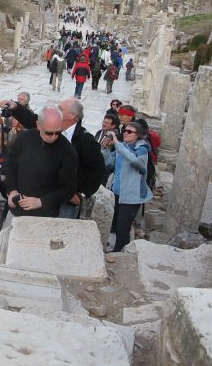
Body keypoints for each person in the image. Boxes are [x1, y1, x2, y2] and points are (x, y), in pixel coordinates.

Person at [5, 106, 77, 217]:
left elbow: (68, 189)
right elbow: (10, 165)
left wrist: (41, 202)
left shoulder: (67, 150)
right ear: (39, 125)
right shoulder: (25, 138)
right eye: (49, 133)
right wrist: (12, 190)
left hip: (44, 216)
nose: (54, 137)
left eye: (58, 132)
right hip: (15, 210)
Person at [103, 122, 153, 252]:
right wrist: (105, 149)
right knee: (114, 225)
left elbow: (136, 162)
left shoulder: (141, 148)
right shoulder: (122, 147)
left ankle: (120, 253)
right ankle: (116, 248)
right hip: (117, 193)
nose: (125, 133)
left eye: (129, 132)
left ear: (138, 135)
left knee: (122, 228)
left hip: (132, 195)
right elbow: (108, 163)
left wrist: (118, 144)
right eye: (125, 130)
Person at [57, 99, 106, 219]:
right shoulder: (53, 131)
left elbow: (98, 170)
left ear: (72, 115)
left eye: (60, 109)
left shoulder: (85, 139)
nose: (56, 111)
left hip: (66, 201)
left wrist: (81, 194)